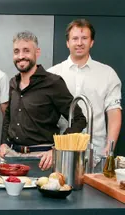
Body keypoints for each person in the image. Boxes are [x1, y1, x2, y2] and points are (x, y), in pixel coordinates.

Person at [0, 31, 87, 170]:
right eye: (17, 51)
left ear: (37, 52)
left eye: (26, 51)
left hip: (42, 159)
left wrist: (57, 149)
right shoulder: (13, 83)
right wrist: (3, 143)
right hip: (12, 156)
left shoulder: (53, 83)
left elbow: (79, 119)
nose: (21, 56)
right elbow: (8, 116)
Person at [48, 19, 121, 157]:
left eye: (84, 38)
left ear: (92, 42)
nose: (80, 43)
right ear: (67, 43)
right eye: (75, 38)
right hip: (60, 153)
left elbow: (114, 113)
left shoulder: (108, 74)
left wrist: (109, 148)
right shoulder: (52, 74)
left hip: (97, 153)